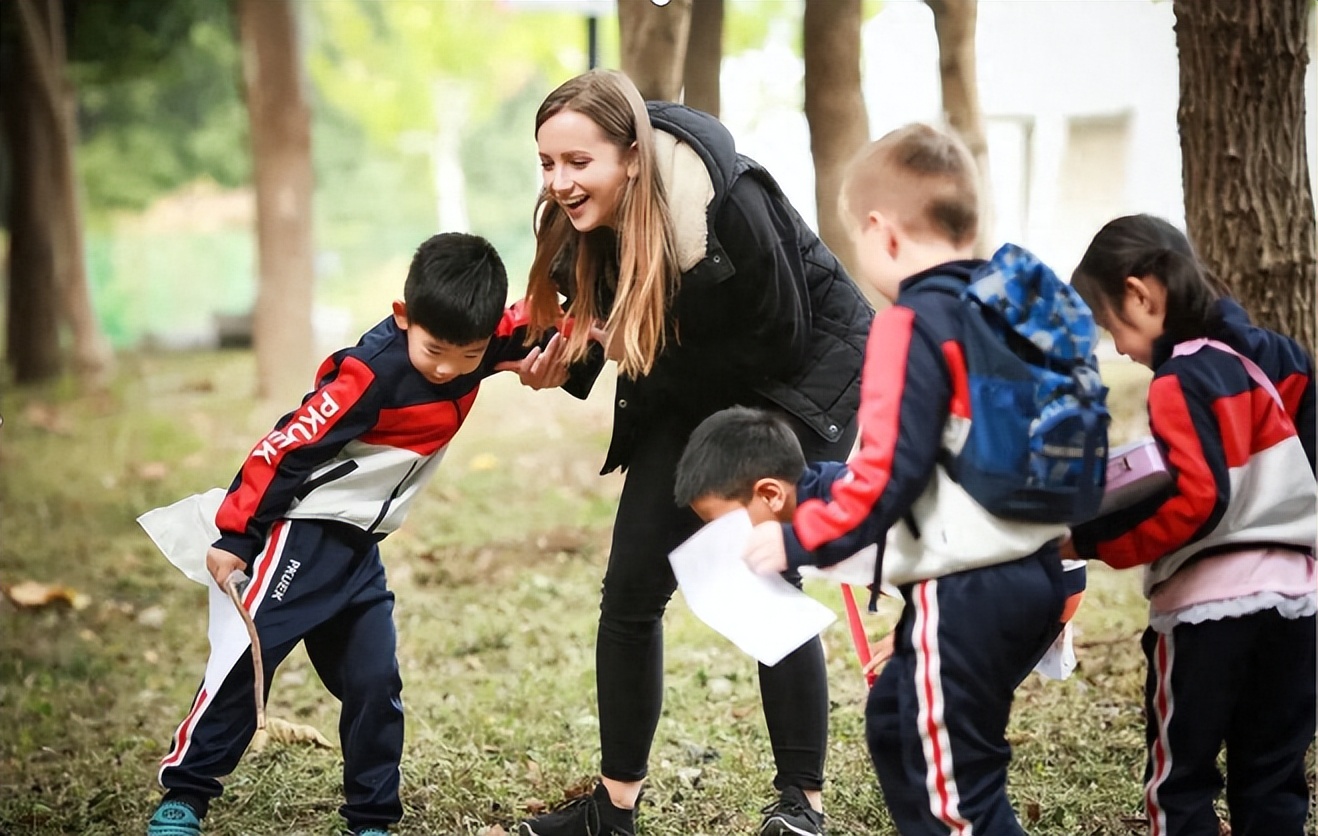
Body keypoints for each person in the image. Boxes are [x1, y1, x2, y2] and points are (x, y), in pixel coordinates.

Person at [508, 69, 873, 836]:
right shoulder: (573, 217)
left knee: (760, 564)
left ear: (633, 156)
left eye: (579, 163)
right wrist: (558, 365)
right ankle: (612, 811)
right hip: (693, 372)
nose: (562, 182)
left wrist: (633, 346)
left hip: (799, 372)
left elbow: (779, 336)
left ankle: (800, 806)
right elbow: (594, 322)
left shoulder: (722, 201)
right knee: (632, 584)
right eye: (548, 163)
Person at [146, 233, 554, 836]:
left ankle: (371, 819)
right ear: (403, 316)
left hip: (361, 553)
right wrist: (237, 535)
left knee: (375, 683)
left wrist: (568, 342)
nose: (447, 369)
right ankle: (185, 796)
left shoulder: (482, 339)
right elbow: (285, 447)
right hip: (300, 540)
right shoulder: (369, 375)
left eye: (468, 357)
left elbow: (549, 322)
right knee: (246, 663)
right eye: (434, 350)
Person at [739, 123, 1073, 834]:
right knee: (896, 718)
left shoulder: (909, 324)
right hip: (1035, 575)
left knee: (961, 796)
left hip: (968, 585)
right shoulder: (1013, 308)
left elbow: (889, 469)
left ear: (882, 232)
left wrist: (798, 540)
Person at [1064, 214, 1316, 836]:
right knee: (1274, 779)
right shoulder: (1263, 363)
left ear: (1141, 294)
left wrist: (1091, 539)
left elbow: (1194, 499)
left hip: (1208, 615)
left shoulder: (1179, 379)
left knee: (1180, 783)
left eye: (1111, 326)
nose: (1119, 347)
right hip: (1299, 604)